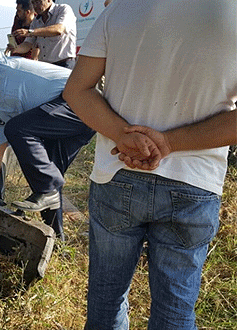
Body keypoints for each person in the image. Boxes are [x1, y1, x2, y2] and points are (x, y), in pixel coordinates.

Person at [62, 0, 237, 328]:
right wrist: (171, 143)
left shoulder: (119, 9)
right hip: (195, 182)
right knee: (175, 311)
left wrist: (121, 134)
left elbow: (77, 90)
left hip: (118, 173)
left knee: (106, 300)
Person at [0, 25, 95, 240]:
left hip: (80, 98)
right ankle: (56, 237)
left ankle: (49, 192)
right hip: (73, 122)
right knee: (47, 179)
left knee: (18, 131)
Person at [10, 0, 76, 68]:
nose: (35, 6)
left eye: (38, 1)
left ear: (48, 0)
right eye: (33, 3)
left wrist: (31, 32)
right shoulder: (36, 21)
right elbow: (28, 44)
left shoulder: (63, 9)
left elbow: (59, 29)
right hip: (45, 66)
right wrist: (15, 49)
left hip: (65, 63)